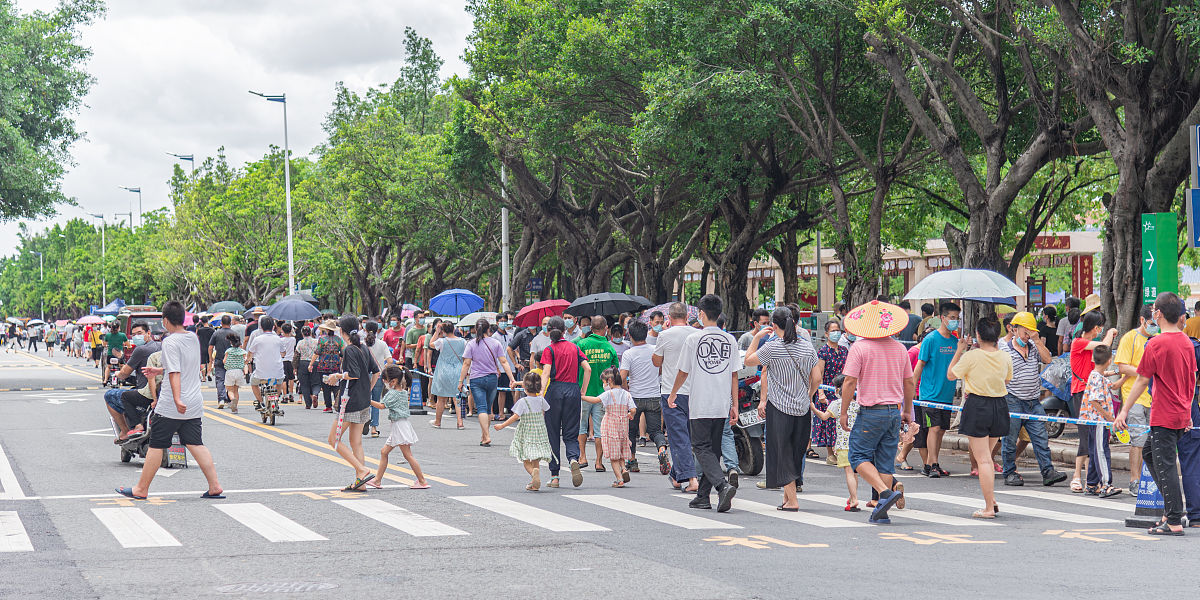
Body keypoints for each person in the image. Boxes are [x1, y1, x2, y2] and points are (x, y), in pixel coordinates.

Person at [116, 301, 223, 501]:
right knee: (195, 443)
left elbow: (174, 372)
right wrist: (158, 371)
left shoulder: (170, 342)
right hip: (193, 402)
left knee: (156, 444)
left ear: (165, 320)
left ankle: (141, 488)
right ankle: (215, 485)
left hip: (171, 405)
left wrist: (176, 398)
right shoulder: (192, 337)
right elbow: (180, 365)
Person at [1116, 293, 1197, 535]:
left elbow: (1141, 380)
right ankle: (1171, 509)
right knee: (1151, 454)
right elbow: (1192, 379)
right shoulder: (1185, 341)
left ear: (1158, 314)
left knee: (1166, 465)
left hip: (1164, 413)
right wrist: (1188, 410)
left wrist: (1124, 410)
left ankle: (1173, 519)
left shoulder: (1156, 344)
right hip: (1181, 412)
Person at [839, 301, 913, 524]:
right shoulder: (900, 348)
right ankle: (882, 512)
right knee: (885, 461)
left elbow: (850, 381)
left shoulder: (859, 348)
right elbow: (909, 382)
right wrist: (907, 410)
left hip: (871, 412)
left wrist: (843, 412)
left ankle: (884, 492)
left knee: (857, 456)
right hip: (893, 411)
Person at [665, 294, 739, 513]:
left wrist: (673, 394)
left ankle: (722, 486)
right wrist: (734, 403)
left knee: (700, 447)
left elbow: (683, 371)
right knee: (713, 450)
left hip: (700, 402)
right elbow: (734, 374)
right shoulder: (730, 340)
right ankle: (702, 497)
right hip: (722, 402)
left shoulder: (694, 339)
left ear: (702, 314)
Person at [744, 306, 822, 511]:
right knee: (796, 453)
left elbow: (748, 360)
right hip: (802, 409)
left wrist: (757, 337)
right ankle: (788, 498)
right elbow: (817, 378)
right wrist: (809, 394)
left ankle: (793, 500)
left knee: (782, 453)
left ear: (773, 325)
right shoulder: (807, 347)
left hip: (779, 408)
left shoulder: (773, 347)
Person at [946, 317, 1012, 519]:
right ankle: (990, 499)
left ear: (978, 335)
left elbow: (951, 375)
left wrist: (959, 350)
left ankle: (988, 508)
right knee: (988, 457)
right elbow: (1007, 379)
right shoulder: (1005, 356)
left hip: (977, 405)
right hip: (999, 405)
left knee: (983, 459)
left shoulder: (972, 356)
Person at [999, 312, 1067, 487]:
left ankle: (1048, 471)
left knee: (1040, 437)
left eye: (1030, 332)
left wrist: (1037, 340)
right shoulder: (1004, 348)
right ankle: (1009, 472)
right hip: (1012, 399)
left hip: (1033, 401)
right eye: (1025, 331)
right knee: (1010, 439)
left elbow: (1048, 359)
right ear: (1014, 329)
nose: (1027, 335)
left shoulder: (1033, 346)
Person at [323, 315, 380, 492]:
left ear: (342, 331)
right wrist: (368, 390)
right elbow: (376, 372)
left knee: (333, 440)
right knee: (356, 443)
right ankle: (360, 482)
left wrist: (337, 376)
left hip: (350, 401)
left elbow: (353, 374)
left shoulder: (349, 350)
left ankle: (362, 470)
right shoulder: (363, 347)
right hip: (363, 400)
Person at [539, 315, 592, 488]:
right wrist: (582, 389)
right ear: (564, 330)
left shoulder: (549, 349)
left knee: (553, 433)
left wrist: (541, 393)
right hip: (573, 390)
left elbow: (546, 372)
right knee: (571, 431)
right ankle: (573, 459)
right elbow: (588, 368)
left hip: (554, 391)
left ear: (549, 331)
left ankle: (555, 476)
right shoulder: (574, 348)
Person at [1069, 311, 1117, 492]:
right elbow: (1103, 347)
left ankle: (1091, 480)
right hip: (1082, 393)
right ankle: (1076, 476)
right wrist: (1110, 333)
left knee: (1093, 438)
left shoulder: (1085, 344)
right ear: (1096, 328)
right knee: (1086, 437)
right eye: (1101, 327)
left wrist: (1114, 375)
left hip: (1090, 390)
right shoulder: (1079, 342)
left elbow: (1096, 370)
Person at [653, 303, 699, 493]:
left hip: (672, 390)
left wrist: (662, 334)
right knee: (689, 435)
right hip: (695, 391)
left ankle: (692, 478)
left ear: (669, 318)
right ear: (687, 315)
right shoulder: (697, 335)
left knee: (678, 436)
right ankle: (677, 475)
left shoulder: (665, 335)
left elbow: (656, 361)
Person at [913, 301, 960, 478]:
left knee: (941, 430)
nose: (955, 321)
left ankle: (934, 462)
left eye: (957, 318)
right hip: (929, 394)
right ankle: (931, 464)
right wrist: (911, 391)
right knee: (934, 428)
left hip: (946, 394)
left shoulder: (956, 342)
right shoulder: (930, 340)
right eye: (952, 318)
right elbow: (919, 366)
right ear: (942, 318)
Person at [365, 365, 428, 489]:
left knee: (407, 455)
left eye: (385, 380)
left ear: (393, 381)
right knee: (384, 452)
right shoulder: (403, 392)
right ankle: (377, 480)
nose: (384, 382)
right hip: (400, 425)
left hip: (399, 426)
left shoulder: (393, 393)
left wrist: (368, 400)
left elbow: (382, 406)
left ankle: (422, 481)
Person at [1114, 306, 1155, 492]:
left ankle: (1151, 479)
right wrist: (1144, 372)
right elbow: (1122, 366)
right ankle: (1134, 480)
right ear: (1142, 320)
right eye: (1151, 323)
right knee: (1138, 441)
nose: (1155, 327)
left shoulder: (1157, 339)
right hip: (1134, 396)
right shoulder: (1130, 338)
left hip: (1154, 397)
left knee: (1152, 441)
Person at [620, 320, 669, 475]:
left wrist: (626, 391)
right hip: (654, 395)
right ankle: (661, 449)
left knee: (631, 431)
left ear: (631, 336)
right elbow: (660, 369)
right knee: (655, 431)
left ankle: (632, 461)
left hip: (634, 397)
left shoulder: (629, 353)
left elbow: (622, 377)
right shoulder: (654, 350)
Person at [460, 317, 517, 446]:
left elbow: (466, 364)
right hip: (492, 379)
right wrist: (512, 378)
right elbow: (503, 362)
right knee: (487, 409)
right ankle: (484, 435)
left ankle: (486, 436)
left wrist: (460, 381)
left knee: (481, 408)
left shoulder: (471, 344)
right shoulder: (495, 343)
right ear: (488, 329)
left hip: (476, 379)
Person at [494, 371, 555, 491]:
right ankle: (534, 481)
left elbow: (515, 417)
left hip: (527, 432)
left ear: (525, 388)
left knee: (525, 459)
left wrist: (502, 425)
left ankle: (534, 475)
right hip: (540, 432)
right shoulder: (541, 400)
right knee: (535, 458)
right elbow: (547, 410)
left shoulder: (523, 402)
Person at [582, 367, 637, 487]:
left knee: (614, 455)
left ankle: (619, 479)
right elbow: (633, 409)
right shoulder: (626, 394)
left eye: (604, 382)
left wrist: (582, 397)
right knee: (621, 450)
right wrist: (630, 414)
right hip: (623, 426)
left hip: (610, 425)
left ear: (610, 380)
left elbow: (595, 400)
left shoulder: (608, 394)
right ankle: (624, 469)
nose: (604, 385)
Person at [575, 317, 618, 471]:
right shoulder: (609, 347)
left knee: (582, 427)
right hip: (602, 395)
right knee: (600, 430)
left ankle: (582, 457)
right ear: (605, 328)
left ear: (590, 328)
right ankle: (599, 462)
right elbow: (615, 372)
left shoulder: (581, 345)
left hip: (583, 392)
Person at [813, 374, 861, 511]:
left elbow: (824, 417)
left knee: (849, 472)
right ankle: (853, 497)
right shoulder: (858, 405)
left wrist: (812, 407)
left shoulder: (836, 404)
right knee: (854, 472)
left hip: (843, 444)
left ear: (839, 390)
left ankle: (854, 499)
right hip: (858, 443)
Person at [1080, 345, 1122, 497]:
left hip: (1095, 421)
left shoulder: (1096, 375)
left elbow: (1114, 385)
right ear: (1109, 360)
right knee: (1102, 451)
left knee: (1095, 451)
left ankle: (1091, 484)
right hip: (1099, 421)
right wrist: (1109, 417)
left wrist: (1125, 375)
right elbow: (1094, 401)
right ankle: (1106, 484)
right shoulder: (1098, 379)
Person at [113, 324, 161, 439]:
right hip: (166, 392)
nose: (136, 337)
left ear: (148, 333)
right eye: (134, 335)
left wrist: (117, 374)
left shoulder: (141, 350)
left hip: (148, 393)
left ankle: (130, 429)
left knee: (116, 396)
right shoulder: (161, 347)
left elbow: (125, 373)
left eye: (139, 333)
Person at [813, 320, 846, 465]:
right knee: (829, 423)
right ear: (826, 334)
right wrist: (821, 393)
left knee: (842, 422)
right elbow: (819, 374)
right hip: (828, 390)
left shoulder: (844, 350)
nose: (836, 333)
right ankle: (830, 453)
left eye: (838, 330)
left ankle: (841, 450)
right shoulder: (823, 352)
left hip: (842, 390)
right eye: (832, 331)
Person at [429, 321, 467, 429]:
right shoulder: (463, 341)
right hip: (458, 371)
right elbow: (466, 357)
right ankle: (460, 422)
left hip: (443, 371)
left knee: (441, 398)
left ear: (443, 331)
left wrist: (436, 332)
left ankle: (438, 422)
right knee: (457, 398)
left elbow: (430, 344)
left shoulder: (441, 341)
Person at [246, 316, 286, 411]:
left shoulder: (257, 339)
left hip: (261, 373)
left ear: (261, 327)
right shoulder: (278, 339)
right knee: (279, 382)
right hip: (277, 372)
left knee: (253, 382)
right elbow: (283, 353)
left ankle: (260, 402)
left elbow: (250, 352)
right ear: (273, 327)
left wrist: (248, 360)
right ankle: (275, 399)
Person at [362, 322, 392, 437]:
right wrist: (383, 369)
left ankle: (364, 422)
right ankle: (374, 428)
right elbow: (389, 361)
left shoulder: (361, 344)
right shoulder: (382, 344)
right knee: (376, 401)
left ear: (365, 329)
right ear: (377, 330)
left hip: (364, 376)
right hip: (378, 375)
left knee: (364, 400)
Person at [311, 320, 344, 413]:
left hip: (323, 366)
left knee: (325, 386)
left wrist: (311, 364)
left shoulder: (322, 339)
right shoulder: (339, 339)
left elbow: (317, 352)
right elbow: (343, 353)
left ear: (326, 329)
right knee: (336, 385)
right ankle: (337, 404)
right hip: (336, 366)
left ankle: (328, 406)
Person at [492, 313, 515, 419]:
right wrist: (496, 368)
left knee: (511, 390)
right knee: (501, 391)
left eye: (505, 321)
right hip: (500, 367)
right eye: (501, 321)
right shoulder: (494, 337)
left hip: (510, 367)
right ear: (497, 323)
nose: (503, 323)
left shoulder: (511, 336)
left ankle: (513, 411)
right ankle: (500, 413)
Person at [210, 315, 234, 409]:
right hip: (231, 361)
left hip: (219, 360)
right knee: (231, 381)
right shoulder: (234, 333)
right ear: (230, 323)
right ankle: (229, 398)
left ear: (221, 323)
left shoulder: (216, 333)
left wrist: (211, 358)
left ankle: (221, 399)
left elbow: (210, 347)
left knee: (220, 380)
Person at [294, 325, 319, 409]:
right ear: (311, 333)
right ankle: (315, 394)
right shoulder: (316, 341)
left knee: (304, 384)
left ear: (302, 333)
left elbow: (296, 355)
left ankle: (308, 404)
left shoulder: (300, 342)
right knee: (316, 382)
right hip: (315, 362)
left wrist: (295, 367)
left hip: (303, 363)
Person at [221, 335, 247, 413]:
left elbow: (224, 361)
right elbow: (245, 361)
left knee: (230, 390)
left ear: (231, 342)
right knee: (236, 390)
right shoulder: (242, 351)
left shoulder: (228, 351)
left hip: (230, 372)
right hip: (239, 372)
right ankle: (235, 408)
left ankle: (232, 400)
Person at [279, 322, 297, 403]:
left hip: (282, 360)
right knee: (291, 378)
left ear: (282, 330)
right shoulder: (293, 339)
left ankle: (285, 395)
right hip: (291, 360)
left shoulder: (280, 340)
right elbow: (294, 335)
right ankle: (291, 394)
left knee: (284, 379)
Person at [197, 316, 214, 382]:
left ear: (201, 322)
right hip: (210, 347)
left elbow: (197, 338)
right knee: (210, 361)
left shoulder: (200, 330)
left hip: (202, 347)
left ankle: (204, 377)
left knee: (203, 362)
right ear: (207, 321)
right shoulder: (212, 330)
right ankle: (209, 373)